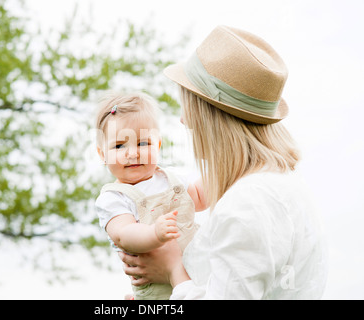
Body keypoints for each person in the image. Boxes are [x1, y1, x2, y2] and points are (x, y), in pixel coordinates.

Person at [119, 25, 328, 299]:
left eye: (189, 106)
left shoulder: (249, 202)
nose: (183, 119)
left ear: (211, 117)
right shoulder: (281, 186)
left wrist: (173, 271)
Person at [94, 91, 207, 300]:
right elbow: (123, 234)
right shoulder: (115, 198)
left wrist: (226, 171)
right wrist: (155, 234)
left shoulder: (171, 180)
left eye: (142, 143)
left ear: (158, 145)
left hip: (199, 276)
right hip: (158, 291)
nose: (133, 153)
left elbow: (200, 196)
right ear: (102, 154)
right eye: (119, 146)